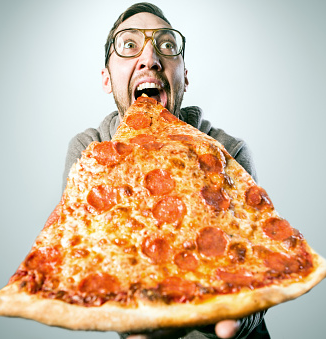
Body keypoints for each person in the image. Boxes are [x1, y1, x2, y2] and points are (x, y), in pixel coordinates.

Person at [62, 3, 270, 339]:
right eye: (129, 45)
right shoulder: (89, 151)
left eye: (167, 45)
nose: (150, 58)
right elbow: (89, 265)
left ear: (184, 76)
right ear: (107, 78)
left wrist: (237, 314)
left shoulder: (227, 153)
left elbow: (257, 276)